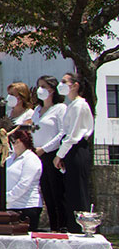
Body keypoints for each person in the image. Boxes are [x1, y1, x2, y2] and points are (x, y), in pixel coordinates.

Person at [54, 72, 96, 233]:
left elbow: (73, 135)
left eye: (64, 82)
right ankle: (73, 227)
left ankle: (82, 228)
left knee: (78, 191)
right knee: (70, 191)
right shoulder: (71, 105)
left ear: (75, 85)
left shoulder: (80, 105)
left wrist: (59, 154)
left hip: (77, 148)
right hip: (70, 150)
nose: (61, 85)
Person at [30, 75, 68, 230]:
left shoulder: (60, 108)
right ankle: (53, 226)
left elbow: (62, 133)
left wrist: (44, 149)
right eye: (39, 86)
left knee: (57, 192)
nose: (40, 89)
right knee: (46, 192)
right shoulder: (37, 110)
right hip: (37, 155)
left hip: (52, 154)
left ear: (52, 89)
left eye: (44, 86)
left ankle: (62, 226)